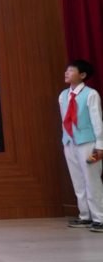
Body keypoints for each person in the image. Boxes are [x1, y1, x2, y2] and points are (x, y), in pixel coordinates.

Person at [60, 60, 103, 233]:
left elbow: (97, 120)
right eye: (67, 70)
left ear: (83, 75)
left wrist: (100, 145)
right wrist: (66, 139)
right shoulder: (63, 95)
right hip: (69, 142)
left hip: (88, 142)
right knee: (77, 180)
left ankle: (100, 218)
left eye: (71, 70)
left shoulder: (90, 94)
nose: (67, 73)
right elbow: (64, 120)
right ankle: (85, 216)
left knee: (92, 181)